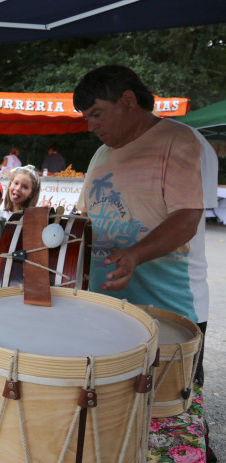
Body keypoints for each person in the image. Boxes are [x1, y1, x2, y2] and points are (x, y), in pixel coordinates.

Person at [74, 65, 214, 382]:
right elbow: (86, 217)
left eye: (97, 113)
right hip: (106, 308)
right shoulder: (100, 154)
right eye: (86, 118)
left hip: (169, 311)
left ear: (127, 100)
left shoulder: (180, 141)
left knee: (172, 419)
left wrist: (135, 254)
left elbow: (186, 220)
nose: (90, 125)